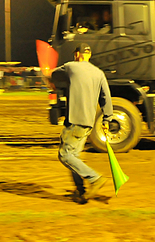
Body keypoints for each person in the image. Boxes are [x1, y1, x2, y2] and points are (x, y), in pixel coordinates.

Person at [48, 43, 113, 204]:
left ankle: (95, 178)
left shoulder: (71, 67)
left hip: (75, 120)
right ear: (89, 55)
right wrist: (107, 119)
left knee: (65, 155)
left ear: (77, 55)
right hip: (88, 123)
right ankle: (81, 191)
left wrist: (47, 76)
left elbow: (55, 75)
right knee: (74, 156)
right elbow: (106, 98)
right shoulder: (99, 74)